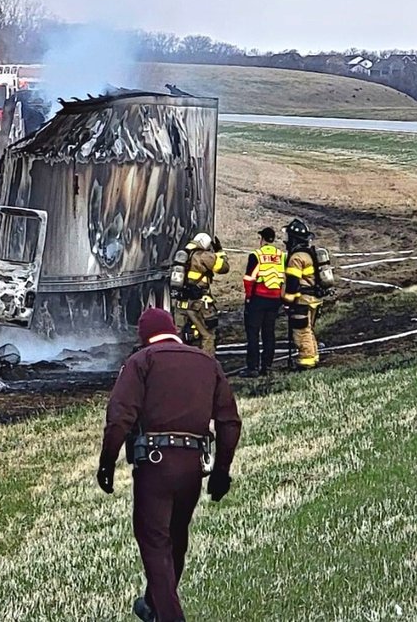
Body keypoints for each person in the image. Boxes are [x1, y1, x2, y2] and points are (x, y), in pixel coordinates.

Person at [97, 308, 241, 622]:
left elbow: (120, 417)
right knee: (177, 538)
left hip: (154, 465)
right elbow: (230, 422)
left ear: (144, 336)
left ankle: (169, 616)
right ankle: (151, 605)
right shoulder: (207, 362)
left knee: (154, 543)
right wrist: (221, 472)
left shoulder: (141, 361)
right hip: (192, 466)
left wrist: (107, 463)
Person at [170, 232, 229, 355]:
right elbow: (224, 268)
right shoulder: (204, 256)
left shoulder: (182, 256)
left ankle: (178, 364)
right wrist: (219, 251)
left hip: (181, 303)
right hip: (197, 304)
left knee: (180, 336)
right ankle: (206, 366)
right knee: (208, 335)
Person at [243, 227, 286, 377]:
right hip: (275, 299)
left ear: (262, 239)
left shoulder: (256, 255)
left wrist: (248, 298)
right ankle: (267, 365)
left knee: (253, 333)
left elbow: (249, 279)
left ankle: (252, 367)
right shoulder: (281, 255)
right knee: (269, 332)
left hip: (258, 298)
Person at [283, 218, 321, 368]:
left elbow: (293, 282)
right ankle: (314, 356)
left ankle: (306, 362)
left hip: (303, 300)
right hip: (314, 299)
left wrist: (287, 301)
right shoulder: (309, 254)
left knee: (301, 332)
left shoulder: (296, 258)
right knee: (309, 329)